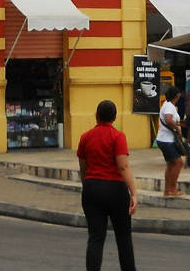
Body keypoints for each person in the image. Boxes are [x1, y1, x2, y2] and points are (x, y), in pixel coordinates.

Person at [76, 100, 138, 271]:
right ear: (115, 117)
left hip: (91, 187)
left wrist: (87, 184)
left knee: (95, 237)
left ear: (96, 116)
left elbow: (83, 165)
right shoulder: (118, 136)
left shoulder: (85, 137)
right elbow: (123, 166)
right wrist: (133, 193)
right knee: (123, 237)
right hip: (115, 190)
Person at [156, 85, 185, 196]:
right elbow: (168, 119)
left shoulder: (166, 105)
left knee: (170, 164)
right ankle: (172, 189)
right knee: (178, 163)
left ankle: (167, 190)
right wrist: (177, 128)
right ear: (177, 96)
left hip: (163, 139)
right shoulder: (169, 106)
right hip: (167, 140)